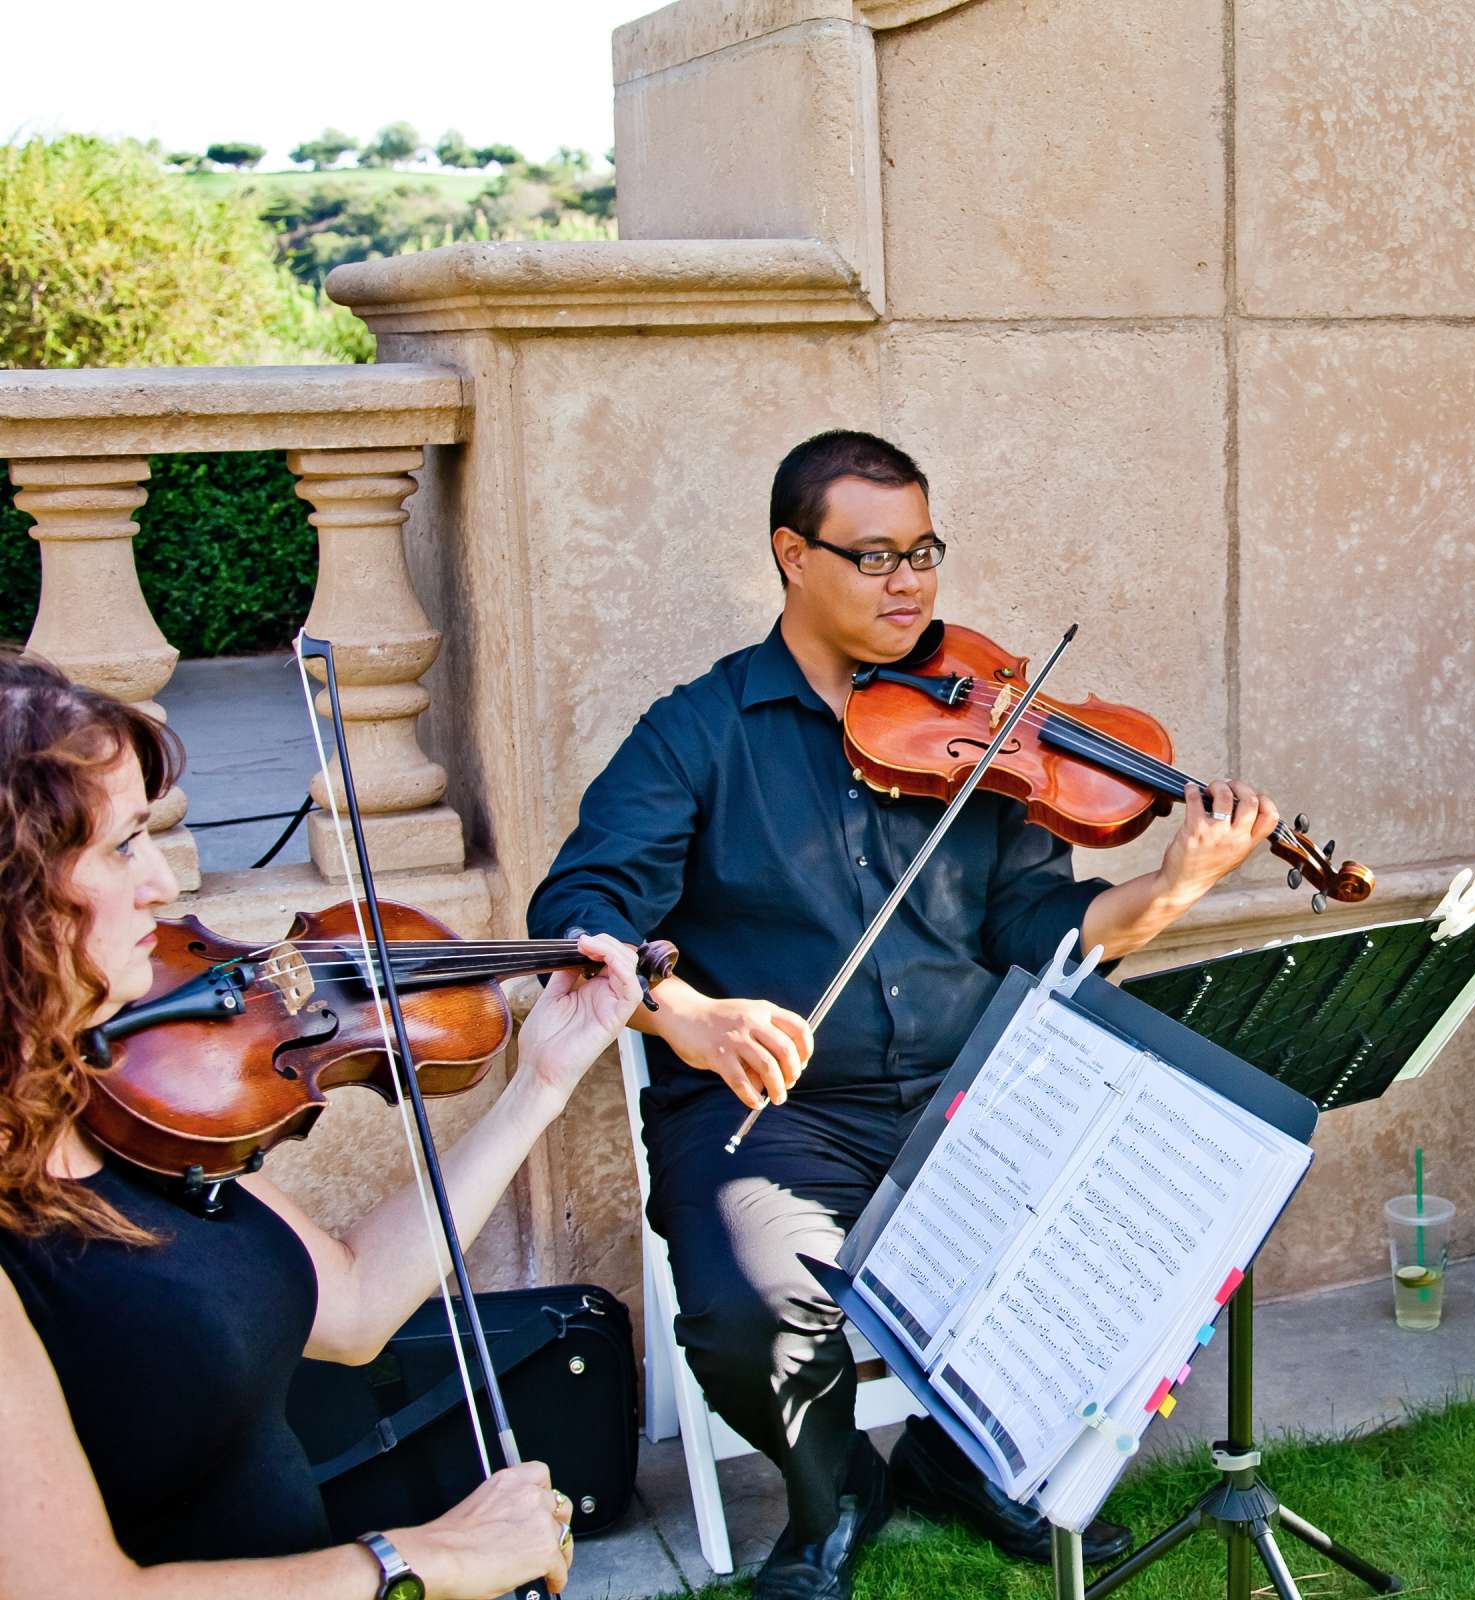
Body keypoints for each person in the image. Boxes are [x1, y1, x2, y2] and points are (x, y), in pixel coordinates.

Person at [527, 429, 1284, 1599]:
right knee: (749, 1312)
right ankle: (834, 1494)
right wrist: (686, 1016)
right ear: (792, 554)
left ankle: (957, 1456)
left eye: (923, 551)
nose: (909, 583)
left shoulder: (984, 723)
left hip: (969, 1098)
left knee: (1153, 1234)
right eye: (873, 555)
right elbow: (577, 912)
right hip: (775, 1111)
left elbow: (1041, 930)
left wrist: (1175, 884)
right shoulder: (696, 731)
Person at [0, 651, 646, 1599]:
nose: (160, 883)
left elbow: (351, 1307)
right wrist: (424, 1558)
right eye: (122, 845)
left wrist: (538, 1087)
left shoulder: (120, 1095)